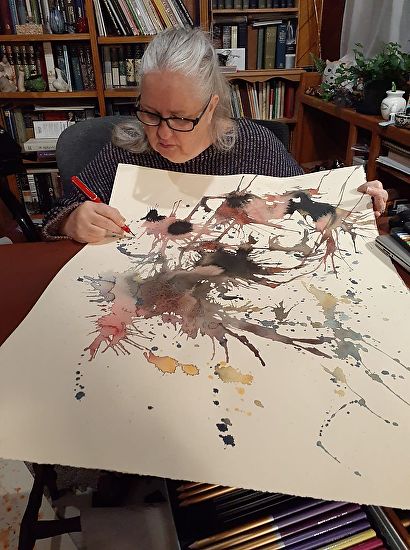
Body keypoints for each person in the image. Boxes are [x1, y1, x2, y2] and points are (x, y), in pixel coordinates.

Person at [42, 27, 387, 243]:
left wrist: (352, 201)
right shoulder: (128, 147)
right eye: (150, 113)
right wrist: (71, 221)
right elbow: (58, 213)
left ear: (211, 107)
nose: (162, 133)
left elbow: (306, 203)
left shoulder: (254, 146)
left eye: (180, 118)